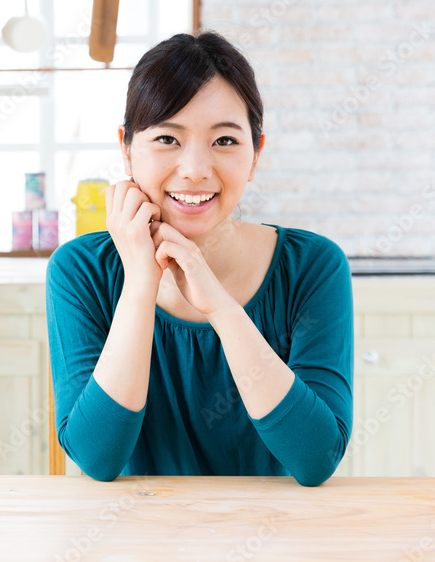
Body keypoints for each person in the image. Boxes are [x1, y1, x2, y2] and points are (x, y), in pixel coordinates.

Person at [46, 31, 353, 487]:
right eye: (168, 138)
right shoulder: (80, 271)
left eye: (225, 141)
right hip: (135, 539)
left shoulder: (312, 266)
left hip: (275, 539)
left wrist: (221, 308)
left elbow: (314, 458)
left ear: (255, 154)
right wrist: (139, 283)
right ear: (127, 149)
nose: (194, 168)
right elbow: (97, 456)